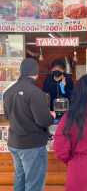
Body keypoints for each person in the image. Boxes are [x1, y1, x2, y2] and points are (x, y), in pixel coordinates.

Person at [3, 58, 54, 191]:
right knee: (34, 184)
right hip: (32, 145)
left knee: (20, 179)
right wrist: (51, 116)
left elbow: (8, 116)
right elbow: (44, 121)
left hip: (14, 143)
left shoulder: (8, 92)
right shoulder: (35, 93)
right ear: (36, 73)